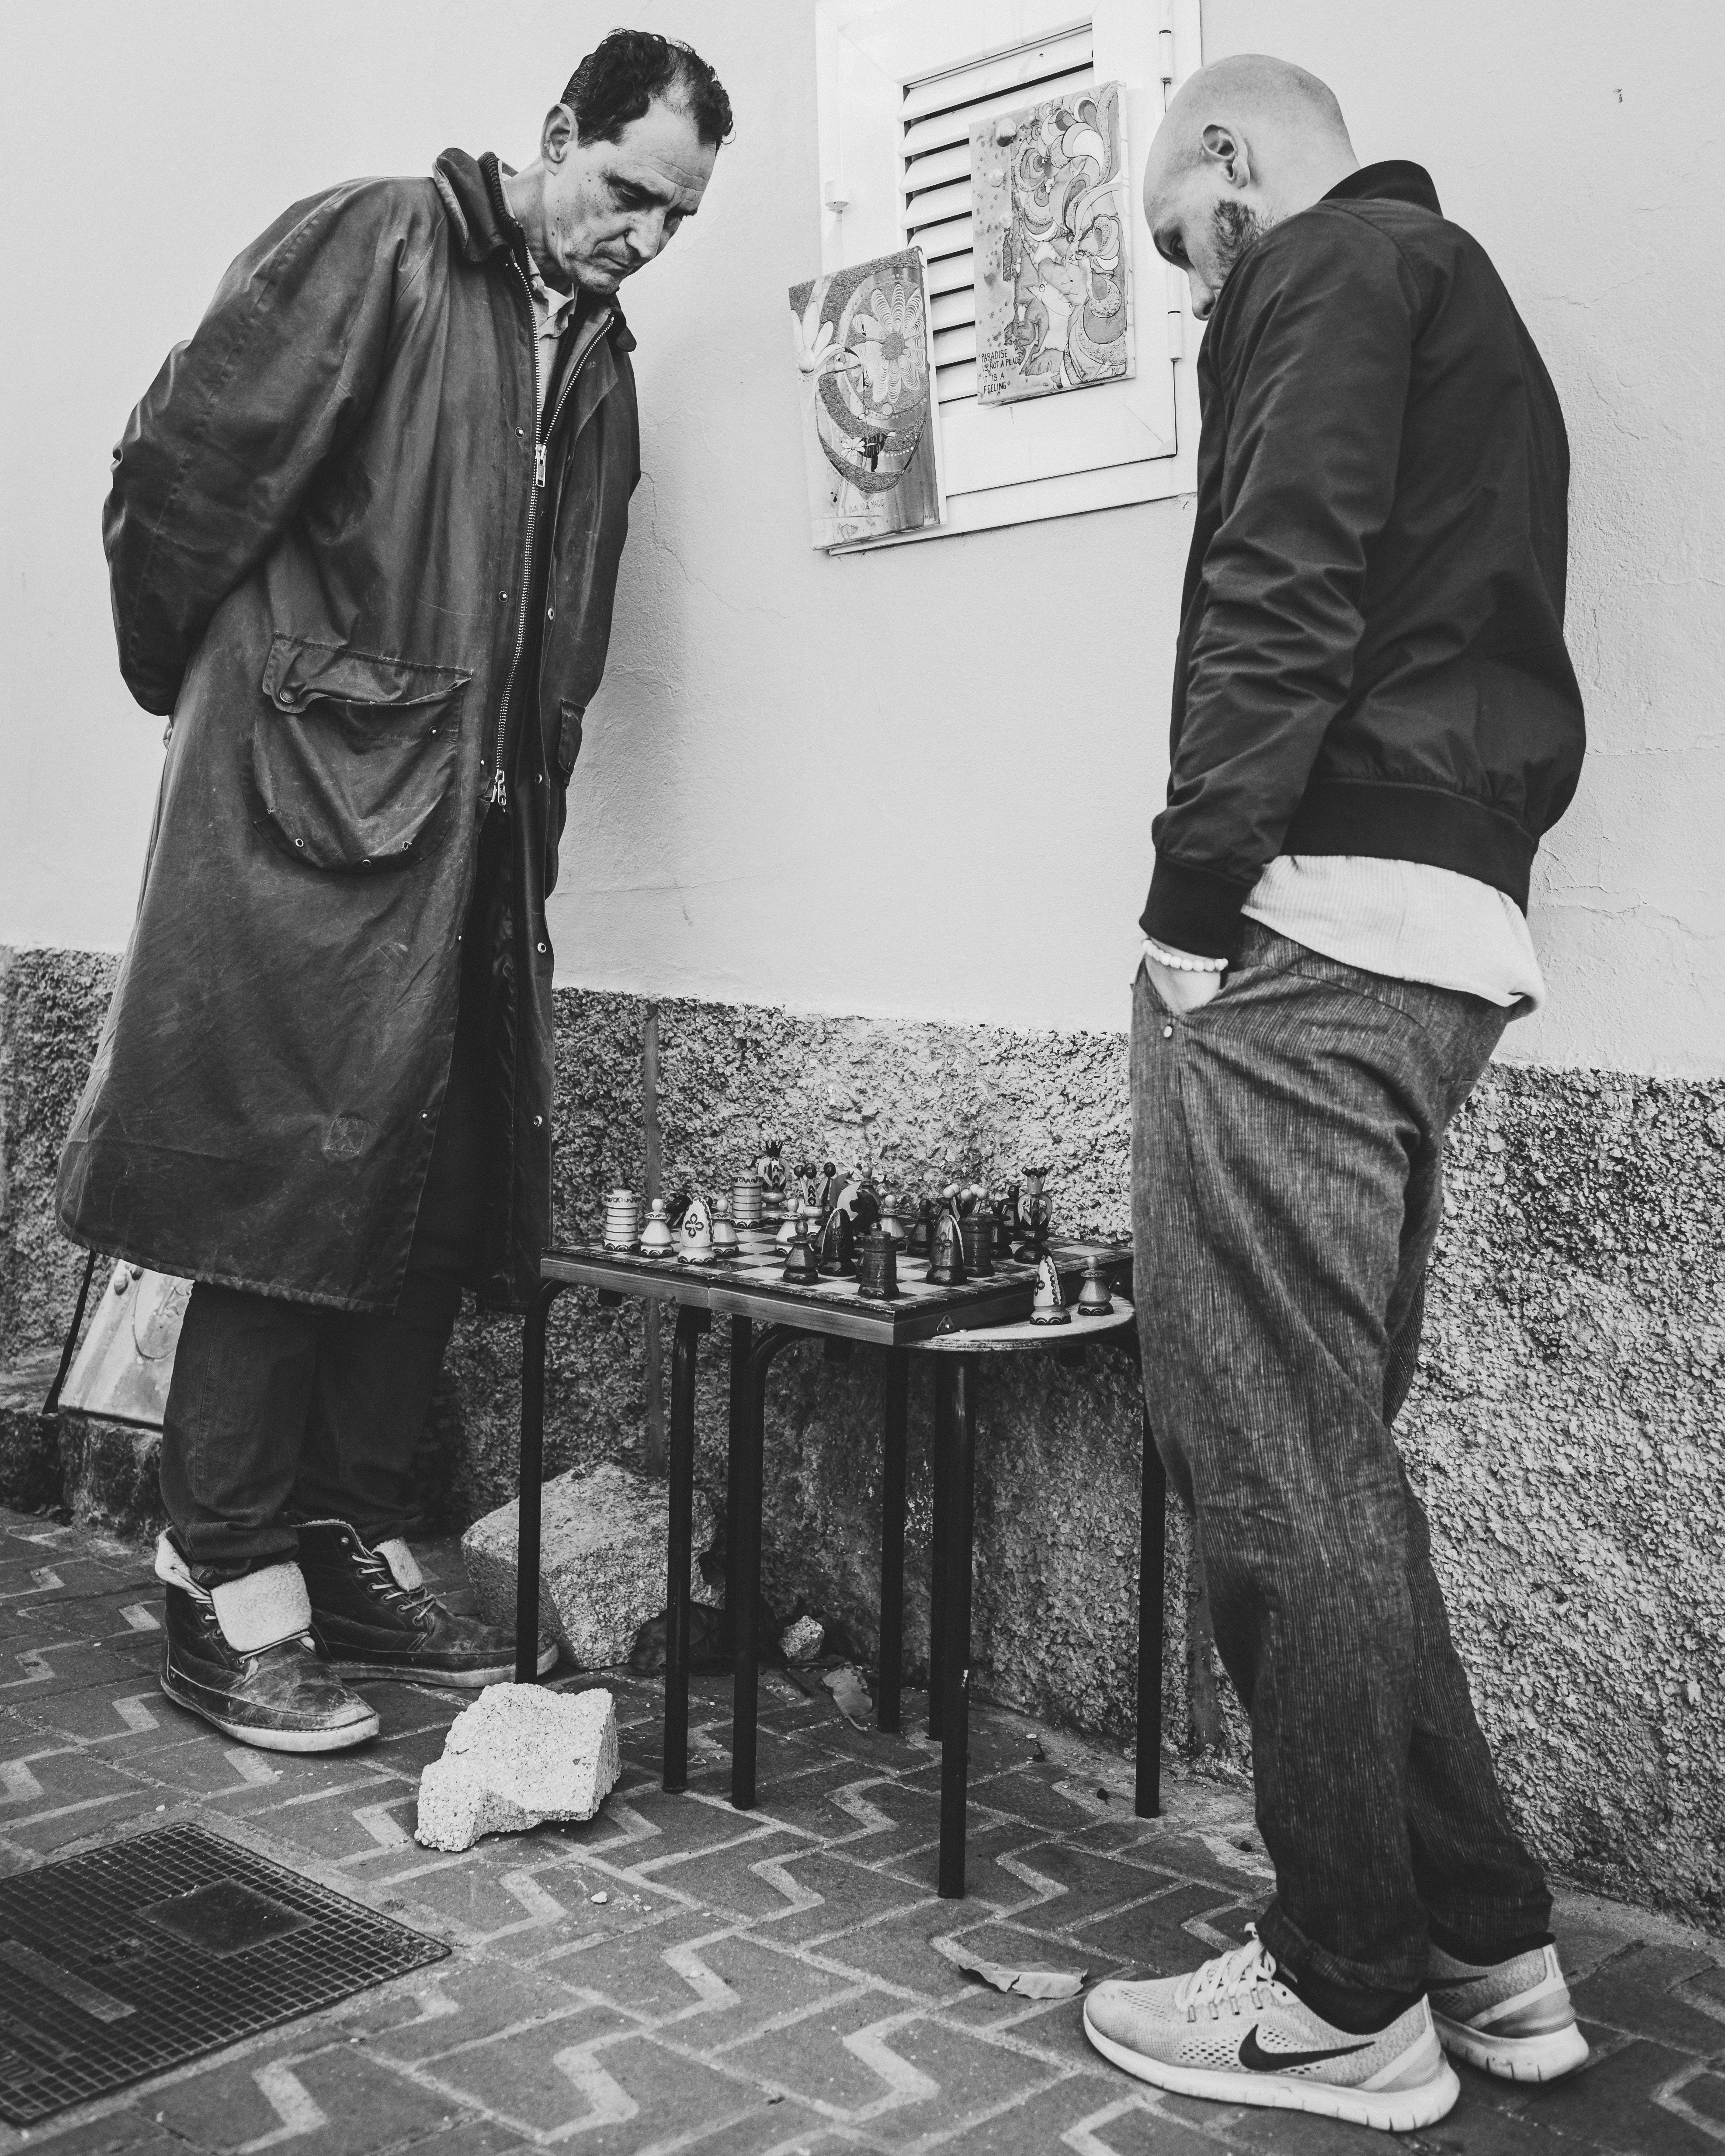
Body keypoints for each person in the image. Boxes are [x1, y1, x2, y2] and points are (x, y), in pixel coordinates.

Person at [57, 32, 732, 1753]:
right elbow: (175, 483)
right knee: (276, 1203)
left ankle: (336, 1530)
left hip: (472, 848)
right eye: (628, 190)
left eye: (679, 217)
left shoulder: (597, 356)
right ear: (555, 133)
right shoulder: (376, 246)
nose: (645, 236)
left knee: (424, 1201)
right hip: (306, 823)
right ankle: (220, 1572)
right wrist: (245, 714)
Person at [1082, 54, 1589, 2134]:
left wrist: (1190, 904)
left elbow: (1279, 583)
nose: (1198, 291)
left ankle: (1340, 1994)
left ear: (1229, 158)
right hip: (1447, 930)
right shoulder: (1460, 298)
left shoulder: (1334, 260)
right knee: (1335, 1464)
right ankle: (1488, 1946)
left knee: (1267, 1458)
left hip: (1308, 936)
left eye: (1186, 243)